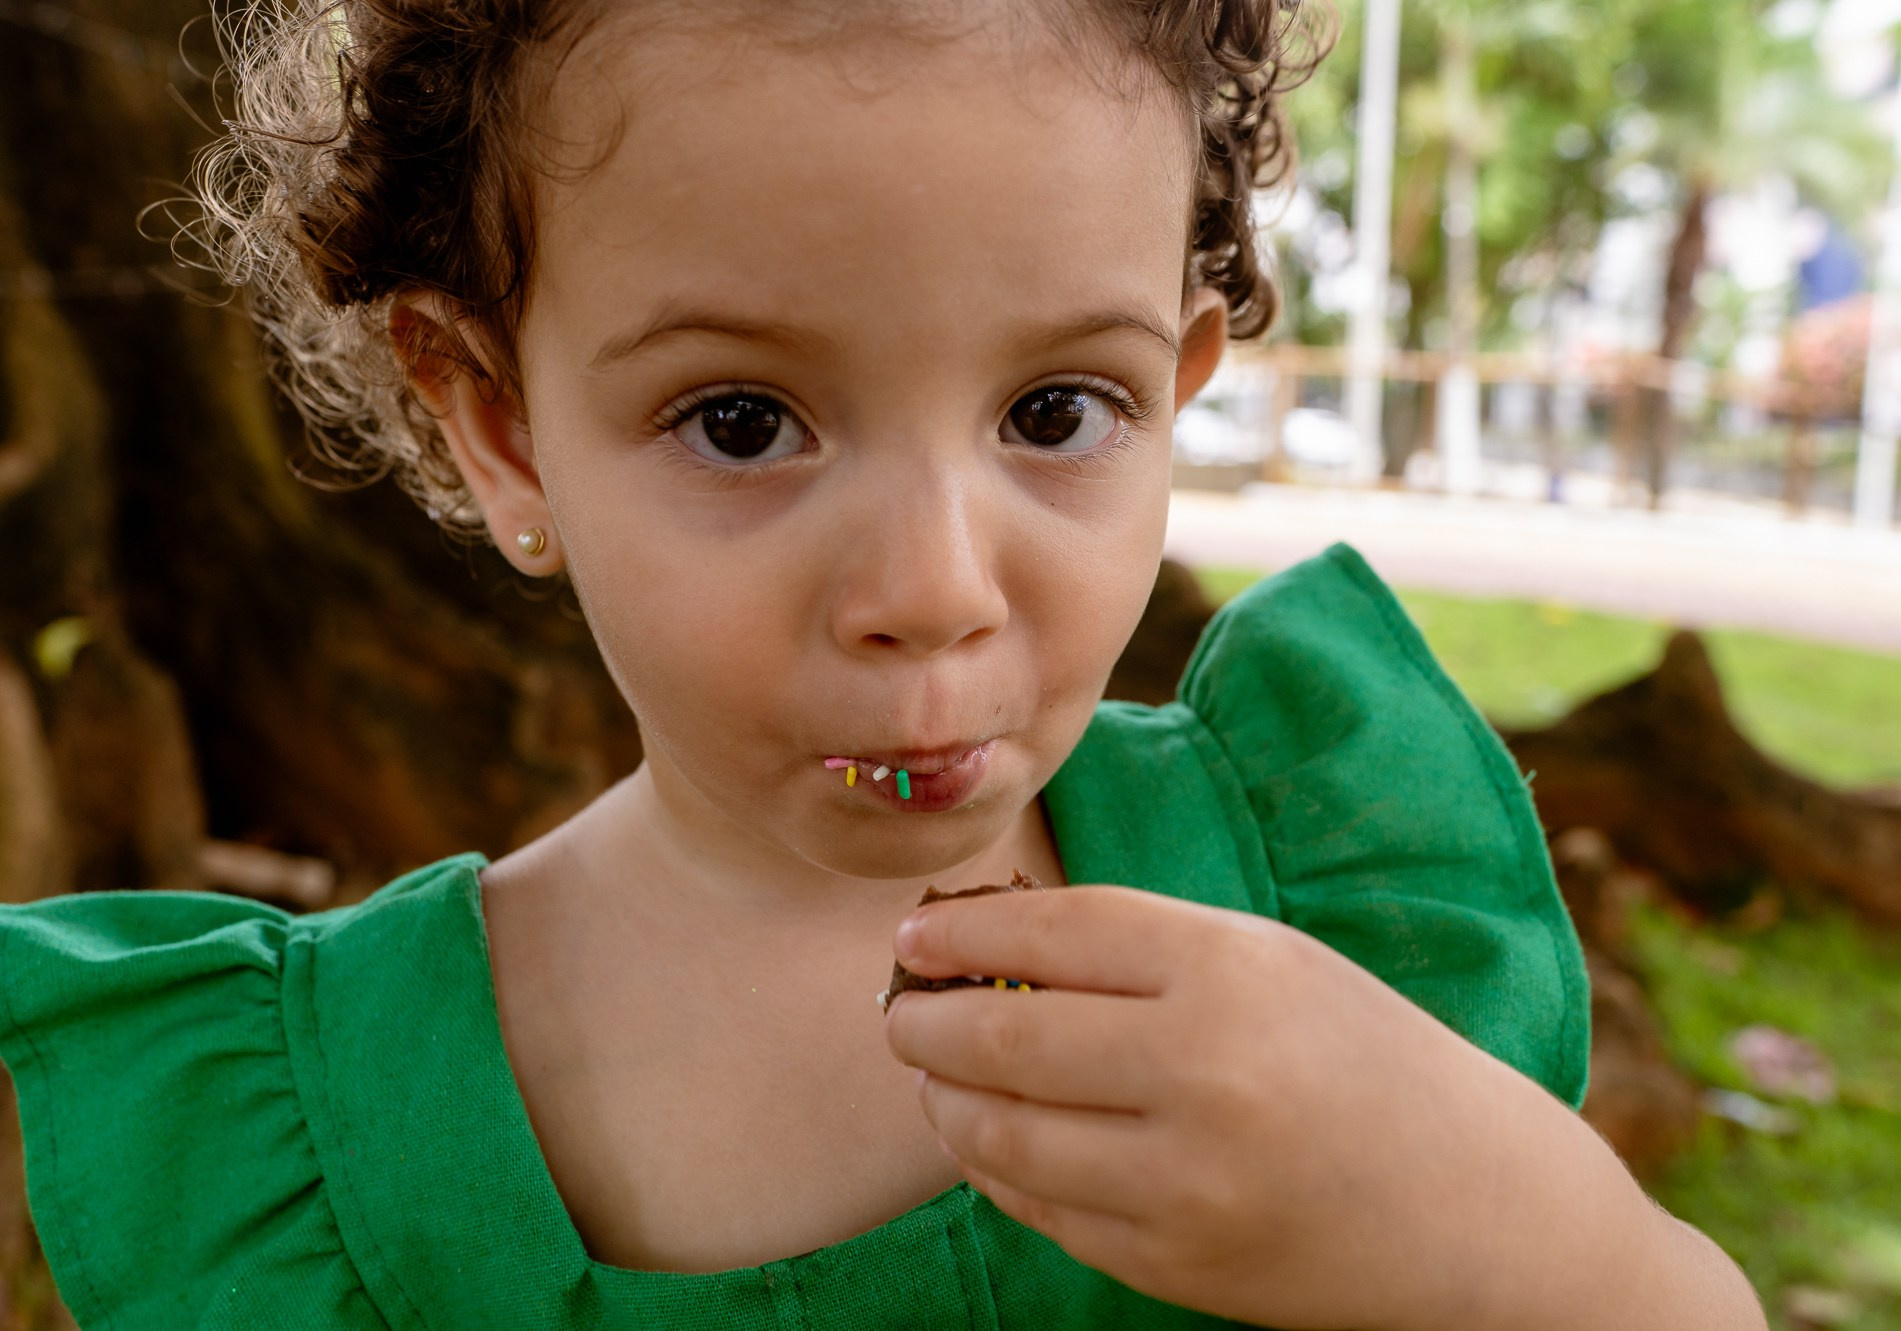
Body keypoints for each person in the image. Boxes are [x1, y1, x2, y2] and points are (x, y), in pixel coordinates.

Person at [0, 0, 1766, 1326]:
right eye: (743, 420)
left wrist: (1517, 1231)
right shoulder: (303, 1155)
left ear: (1186, 374)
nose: (933, 591)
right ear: (499, 425)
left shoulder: (1333, 910)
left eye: (1059, 410)